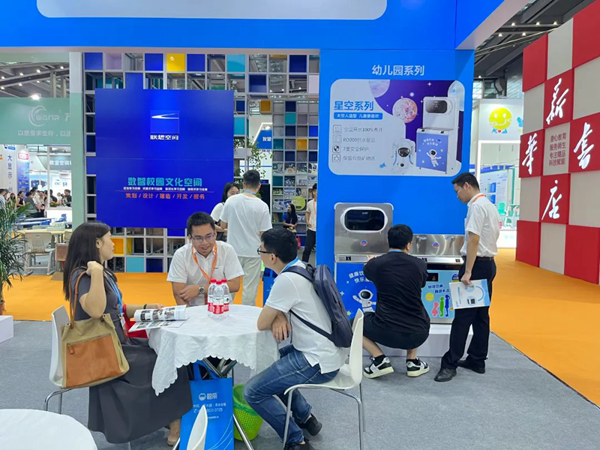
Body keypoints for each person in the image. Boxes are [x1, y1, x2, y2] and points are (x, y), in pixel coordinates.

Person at [63, 222, 192, 445]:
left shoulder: (103, 273)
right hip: (107, 349)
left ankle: (168, 416)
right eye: (109, 239)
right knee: (168, 359)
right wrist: (96, 273)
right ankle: (174, 421)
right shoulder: (83, 276)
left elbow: (115, 308)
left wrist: (146, 307)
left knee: (166, 351)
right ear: (97, 243)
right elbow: (96, 310)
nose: (113, 244)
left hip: (118, 341)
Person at [245, 229, 347, 450]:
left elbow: (262, 322)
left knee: (252, 392)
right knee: (271, 363)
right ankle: (306, 417)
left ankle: (296, 440)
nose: (259, 254)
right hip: (327, 352)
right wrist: (279, 315)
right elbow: (280, 309)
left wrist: (276, 315)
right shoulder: (301, 268)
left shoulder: (286, 280)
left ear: (272, 257)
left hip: (316, 361)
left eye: (260, 250)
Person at [435, 173, 500, 382]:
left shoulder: (476, 206)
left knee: (463, 317)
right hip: (488, 264)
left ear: (466, 186)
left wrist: (468, 271)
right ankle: (477, 359)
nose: (457, 196)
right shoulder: (489, 205)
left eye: (457, 191)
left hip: (476, 266)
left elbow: (473, 240)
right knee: (481, 316)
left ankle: (450, 363)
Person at [361, 224, 430, 379]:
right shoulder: (420, 264)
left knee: (354, 324)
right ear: (408, 245)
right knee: (416, 311)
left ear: (388, 242)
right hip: (419, 333)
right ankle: (412, 362)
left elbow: (368, 271)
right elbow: (422, 283)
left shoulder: (376, 264)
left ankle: (380, 360)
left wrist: (370, 262)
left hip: (385, 331)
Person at [167, 212, 244, 306]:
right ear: (190, 238)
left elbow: (235, 285)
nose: (205, 243)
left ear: (215, 234)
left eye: (209, 236)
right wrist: (189, 314)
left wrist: (200, 289)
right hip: (194, 309)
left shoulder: (227, 250)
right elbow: (179, 294)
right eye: (198, 238)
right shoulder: (181, 255)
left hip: (221, 308)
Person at [220, 170, 272, 306]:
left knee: (229, 287)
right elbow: (264, 233)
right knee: (250, 290)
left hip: (232, 250)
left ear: (243, 184)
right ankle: (247, 316)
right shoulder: (262, 206)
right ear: (259, 186)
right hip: (253, 252)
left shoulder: (231, 201)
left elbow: (223, 224)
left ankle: (224, 311)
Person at [302, 184, 317, 263]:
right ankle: (304, 265)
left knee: (322, 249)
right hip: (311, 229)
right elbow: (307, 212)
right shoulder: (310, 203)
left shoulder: (324, 203)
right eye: (316, 191)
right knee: (307, 249)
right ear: (313, 192)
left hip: (320, 230)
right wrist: (307, 221)